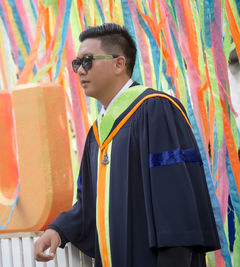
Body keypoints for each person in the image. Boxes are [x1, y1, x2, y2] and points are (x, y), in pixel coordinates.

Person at [33, 23, 220, 267]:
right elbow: (89, 206)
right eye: (76, 63)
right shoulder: (97, 133)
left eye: (87, 61)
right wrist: (58, 230)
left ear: (119, 64)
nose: (80, 70)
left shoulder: (156, 110)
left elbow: (175, 203)